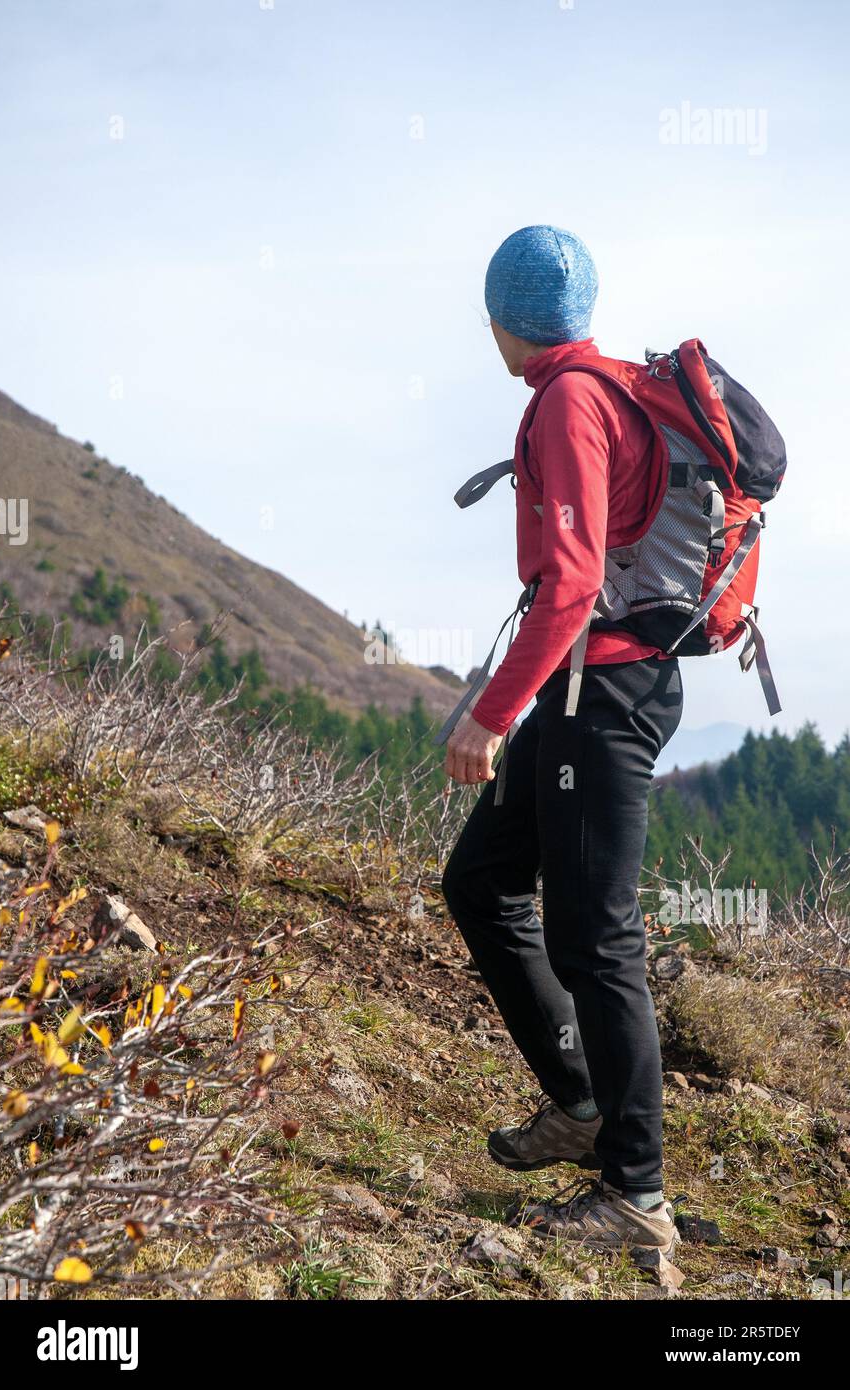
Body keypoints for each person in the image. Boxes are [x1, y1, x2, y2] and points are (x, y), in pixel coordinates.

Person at [440, 225, 684, 1256]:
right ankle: (579, 1098)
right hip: (586, 684)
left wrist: (492, 712)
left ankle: (636, 1193)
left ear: (505, 319)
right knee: (481, 877)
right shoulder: (587, 388)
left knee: (597, 938)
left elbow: (574, 580)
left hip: (607, 692)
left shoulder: (569, 403)